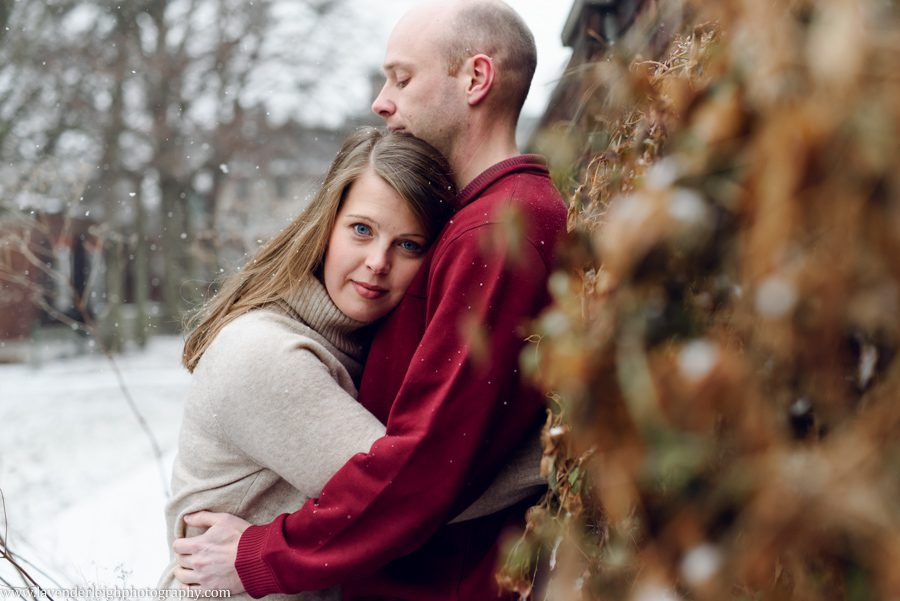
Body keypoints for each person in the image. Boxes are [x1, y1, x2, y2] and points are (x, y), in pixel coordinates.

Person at [172, 1, 567, 598]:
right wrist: (553, 451)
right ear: (325, 227)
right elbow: (431, 472)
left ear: (476, 79)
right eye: (360, 230)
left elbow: (425, 475)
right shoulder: (269, 351)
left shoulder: (494, 230)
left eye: (402, 78)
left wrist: (261, 553)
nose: (382, 101)